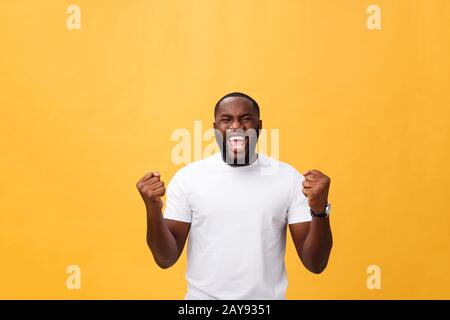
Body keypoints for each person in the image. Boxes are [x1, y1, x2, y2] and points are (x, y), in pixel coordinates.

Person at [136, 92, 333, 299]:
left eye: (245, 119)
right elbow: (165, 259)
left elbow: (315, 264)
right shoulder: (188, 179)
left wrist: (319, 210)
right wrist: (153, 209)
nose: (236, 127)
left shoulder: (288, 178)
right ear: (215, 129)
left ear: (259, 127)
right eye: (226, 119)